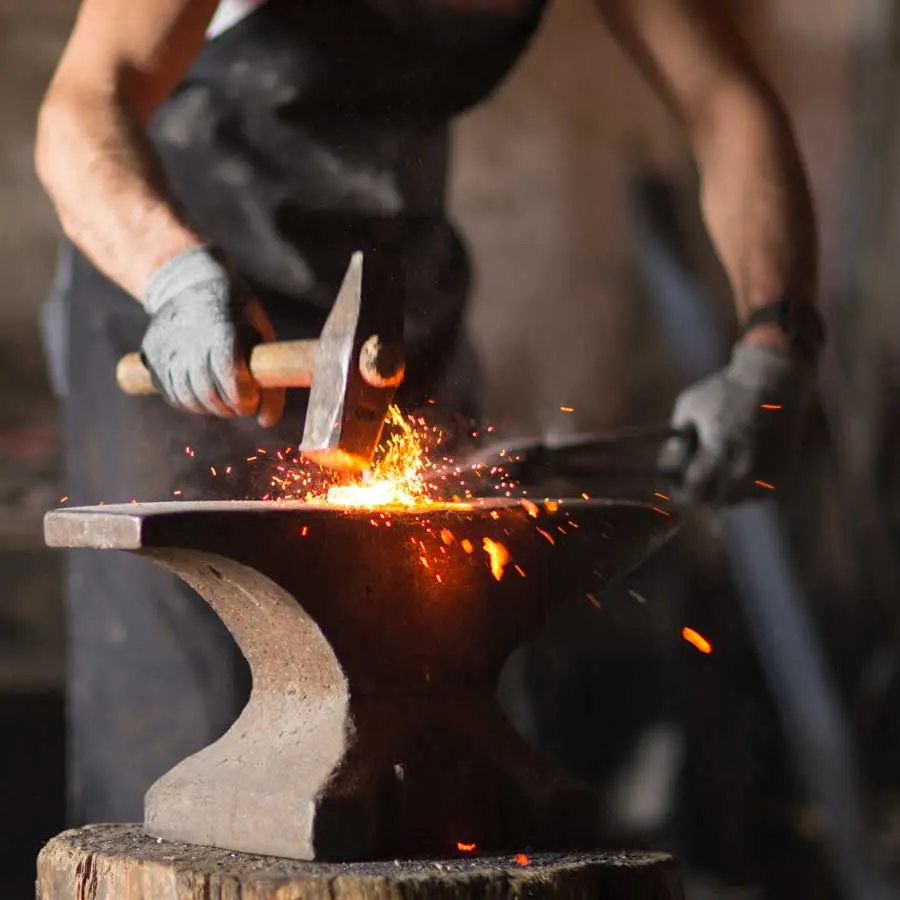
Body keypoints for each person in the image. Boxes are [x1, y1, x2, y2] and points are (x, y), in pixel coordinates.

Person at [35, 0, 824, 824]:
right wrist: (174, 277)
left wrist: (777, 338)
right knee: (188, 736)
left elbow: (726, 102)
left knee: (433, 716)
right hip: (175, 313)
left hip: (388, 325)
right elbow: (83, 104)